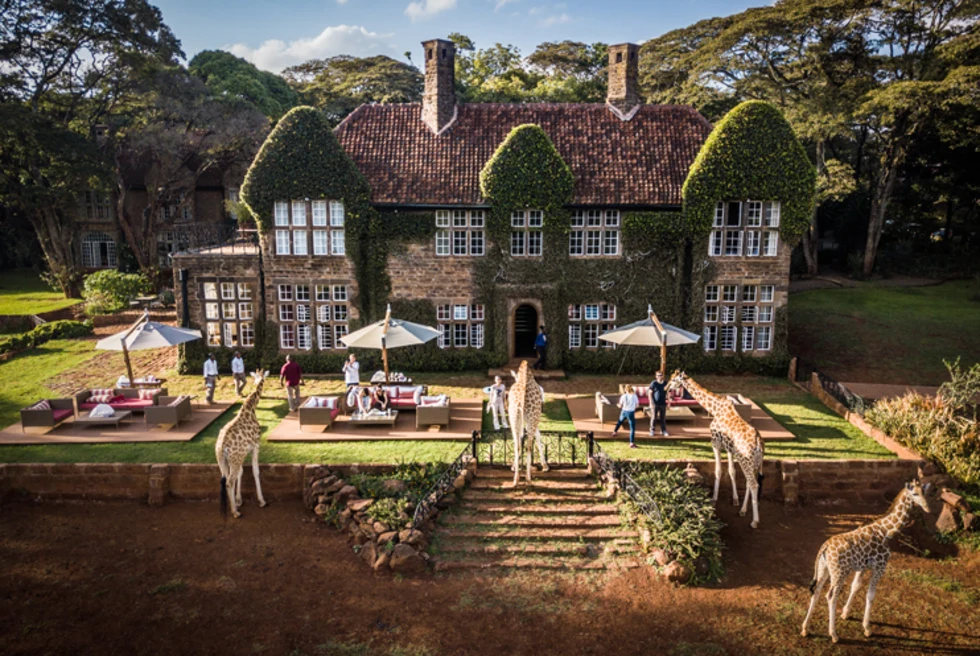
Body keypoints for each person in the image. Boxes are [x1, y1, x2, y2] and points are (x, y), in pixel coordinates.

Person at [648, 370, 670, 437]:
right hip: (655, 403)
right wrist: (650, 403)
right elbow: (649, 393)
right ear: (656, 376)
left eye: (660, 375)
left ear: (663, 376)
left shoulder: (665, 383)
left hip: (663, 403)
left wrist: (669, 402)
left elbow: (668, 393)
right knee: (654, 417)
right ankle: (652, 430)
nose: (659, 377)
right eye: (658, 375)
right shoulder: (654, 383)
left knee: (662, 418)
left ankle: (663, 430)